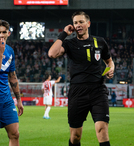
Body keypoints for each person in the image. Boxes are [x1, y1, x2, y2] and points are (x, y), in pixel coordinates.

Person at [48, 11, 115, 146]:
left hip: (98, 91)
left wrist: (111, 67)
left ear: (88, 24)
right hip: (77, 92)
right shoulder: (69, 43)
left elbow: (109, 61)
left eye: (81, 22)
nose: (78, 25)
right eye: (75, 23)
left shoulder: (100, 42)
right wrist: (64, 34)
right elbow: (52, 53)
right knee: (75, 136)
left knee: (102, 130)